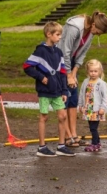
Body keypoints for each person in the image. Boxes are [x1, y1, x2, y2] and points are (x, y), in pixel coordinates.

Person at [57, 10, 107, 148]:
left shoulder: (91, 32)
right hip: (59, 63)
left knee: (73, 100)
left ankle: (74, 135)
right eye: (99, 31)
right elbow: (65, 52)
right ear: (93, 24)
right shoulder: (74, 27)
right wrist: (68, 75)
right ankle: (67, 137)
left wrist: (74, 72)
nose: (98, 34)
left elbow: (82, 54)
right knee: (65, 100)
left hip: (71, 65)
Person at [24, 21, 74, 157]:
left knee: (63, 116)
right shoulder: (40, 51)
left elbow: (63, 72)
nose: (60, 37)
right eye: (57, 34)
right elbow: (27, 66)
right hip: (44, 92)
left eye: (60, 34)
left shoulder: (59, 52)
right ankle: (41, 147)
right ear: (49, 34)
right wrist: (41, 77)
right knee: (44, 117)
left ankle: (61, 146)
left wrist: (64, 90)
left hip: (57, 91)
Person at [77, 59, 107, 152]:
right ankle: (97, 143)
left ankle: (95, 143)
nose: (93, 73)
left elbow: (105, 97)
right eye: (91, 71)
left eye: (95, 71)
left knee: (93, 128)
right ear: (88, 71)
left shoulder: (102, 84)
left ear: (99, 72)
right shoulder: (86, 82)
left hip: (96, 109)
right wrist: (80, 105)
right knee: (91, 127)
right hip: (88, 109)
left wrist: (103, 108)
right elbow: (82, 93)